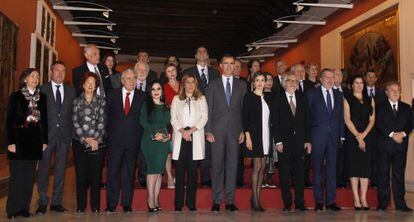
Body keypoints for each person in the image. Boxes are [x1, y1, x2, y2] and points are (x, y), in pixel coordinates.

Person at [205, 54, 247, 212]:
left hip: (235, 131)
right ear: (220, 66)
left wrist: (243, 130)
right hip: (216, 132)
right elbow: (208, 109)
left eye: (232, 64)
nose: (229, 66)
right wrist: (208, 130)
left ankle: (230, 201)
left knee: (232, 166)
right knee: (216, 166)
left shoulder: (242, 85)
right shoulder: (212, 85)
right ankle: (216, 201)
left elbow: (244, 110)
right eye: (226, 64)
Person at [6, 68, 48, 219]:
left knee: (29, 179)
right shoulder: (16, 96)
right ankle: (12, 210)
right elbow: (9, 121)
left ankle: (24, 208)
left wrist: (44, 141)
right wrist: (10, 142)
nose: (35, 79)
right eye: (32, 76)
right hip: (18, 142)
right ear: (25, 79)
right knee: (17, 178)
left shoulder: (42, 97)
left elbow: (44, 121)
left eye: (37, 76)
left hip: (34, 142)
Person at [36, 61, 75, 215]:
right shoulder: (42, 90)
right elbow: (36, 115)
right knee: (44, 170)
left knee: (60, 170)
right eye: (57, 70)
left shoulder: (71, 91)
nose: (60, 74)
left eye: (63, 71)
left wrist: (72, 135)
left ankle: (56, 202)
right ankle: (42, 201)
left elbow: (73, 114)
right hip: (46, 137)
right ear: (51, 72)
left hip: (64, 137)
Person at [105, 68, 146, 213]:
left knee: (129, 173)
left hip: (133, 141)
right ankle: (111, 203)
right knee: (113, 172)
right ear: (122, 81)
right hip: (115, 141)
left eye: (134, 78)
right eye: (128, 78)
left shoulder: (142, 96)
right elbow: (106, 117)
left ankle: (127, 203)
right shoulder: (112, 95)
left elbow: (145, 119)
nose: (131, 81)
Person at [306, 68, 344, 211]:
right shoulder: (311, 94)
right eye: (326, 77)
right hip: (317, 137)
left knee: (332, 170)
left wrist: (341, 135)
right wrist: (308, 138)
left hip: (334, 137)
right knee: (317, 170)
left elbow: (340, 117)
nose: (330, 79)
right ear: (320, 79)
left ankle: (331, 201)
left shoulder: (339, 95)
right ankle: (318, 201)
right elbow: (307, 118)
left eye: (332, 77)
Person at [272, 72, 311, 212]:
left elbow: (307, 121)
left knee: (300, 175)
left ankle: (300, 203)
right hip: (284, 144)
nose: (292, 83)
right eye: (289, 81)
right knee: (284, 175)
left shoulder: (302, 98)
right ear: (284, 83)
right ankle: (287, 203)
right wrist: (278, 142)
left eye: (295, 81)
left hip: (300, 143)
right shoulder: (278, 99)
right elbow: (275, 123)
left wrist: (308, 140)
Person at [182, 46, 220, 187]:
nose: (202, 53)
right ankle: (192, 177)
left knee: (208, 148)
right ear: (195, 55)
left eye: (205, 51)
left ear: (208, 55)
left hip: (213, 115)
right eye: (199, 51)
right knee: (193, 148)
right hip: (193, 116)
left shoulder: (215, 73)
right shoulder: (188, 72)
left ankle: (206, 177)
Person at [170, 74, 208, 212]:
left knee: (192, 173)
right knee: (179, 173)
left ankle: (191, 203)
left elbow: (204, 117)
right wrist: (183, 131)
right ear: (183, 84)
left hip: (195, 137)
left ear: (196, 84)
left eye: (193, 82)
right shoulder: (176, 99)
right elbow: (173, 118)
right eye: (188, 82)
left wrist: (190, 131)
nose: (190, 85)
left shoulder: (201, 98)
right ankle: (178, 204)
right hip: (181, 137)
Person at [72, 72, 106, 213]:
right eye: (88, 82)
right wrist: (86, 139)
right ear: (83, 84)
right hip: (80, 143)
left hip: (97, 144)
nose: (91, 85)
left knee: (95, 175)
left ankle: (95, 206)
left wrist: (95, 140)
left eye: (93, 82)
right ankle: (81, 206)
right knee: (81, 175)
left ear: (96, 85)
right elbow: (75, 122)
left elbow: (102, 122)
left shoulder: (101, 101)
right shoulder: (76, 101)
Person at [376, 81, 413, 212]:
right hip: (384, 146)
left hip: (400, 146)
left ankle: (400, 204)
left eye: (398, 90)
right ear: (386, 93)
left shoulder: (406, 107)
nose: (396, 92)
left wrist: (402, 134)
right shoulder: (380, 107)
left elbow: (410, 123)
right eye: (392, 90)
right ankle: (383, 203)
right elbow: (378, 124)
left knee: (398, 174)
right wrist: (392, 135)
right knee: (383, 174)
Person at [343, 75, 375, 210]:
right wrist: (358, 136)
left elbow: (372, 120)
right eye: (356, 83)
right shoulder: (347, 98)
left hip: (367, 136)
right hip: (352, 136)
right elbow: (347, 119)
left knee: (365, 168)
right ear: (351, 85)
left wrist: (364, 135)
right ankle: (356, 198)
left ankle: (364, 197)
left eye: (361, 82)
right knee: (354, 167)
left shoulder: (370, 99)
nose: (359, 85)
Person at [242, 72, 272, 211]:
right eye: (257, 80)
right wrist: (248, 137)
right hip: (254, 136)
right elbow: (245, 118)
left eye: (263, 80)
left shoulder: (269, 98)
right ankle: (254, 199)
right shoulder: (249, 96)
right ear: (253, 83)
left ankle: (256, 198)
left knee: (263, 167)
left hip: (266, 135)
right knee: (257, 166)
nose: (260, 83)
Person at [140, 81, 171, 212]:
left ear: (162, 91)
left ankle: (156, 200)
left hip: (163, 143)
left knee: (158, 173)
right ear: (150, 91)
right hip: (150, 141)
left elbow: (168, 124)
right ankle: (150, 201)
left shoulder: (166, 107)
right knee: (152, 172)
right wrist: (155, 134)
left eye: (158, 89)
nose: (156, 91)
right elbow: (143, 122)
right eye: (153, 89)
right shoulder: (146, 105)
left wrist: (168, 136)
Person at [363, 70, 387, 187]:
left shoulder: (382, 94)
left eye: (373, 77)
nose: (371, 79)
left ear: (376, 79)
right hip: (363, 129)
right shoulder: (359, 92)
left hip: (379, 130)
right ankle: (364, 178)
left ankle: (375, 180)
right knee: (364, 154)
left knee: (377, 155)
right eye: (369, 76)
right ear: (365, 78)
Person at [163, 63, 180, 189]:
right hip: (169, 123)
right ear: (166, 74)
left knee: (180, 152)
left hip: (184, 123)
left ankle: (178, 178)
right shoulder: (163, 88)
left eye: (173, 70)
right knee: (169, 152)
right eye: (169, 71)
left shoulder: (184, 85)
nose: (171, 72)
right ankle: (169, 177)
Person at [333, 68, 349, 189]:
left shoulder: (348, 92)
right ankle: (336, 181)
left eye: (340, 74)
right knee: (335, 157)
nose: (338, 76)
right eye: (335, 74)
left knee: (345, 157)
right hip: (334, 130)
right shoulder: (328, 92)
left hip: (349, 130)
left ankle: (344, 179)